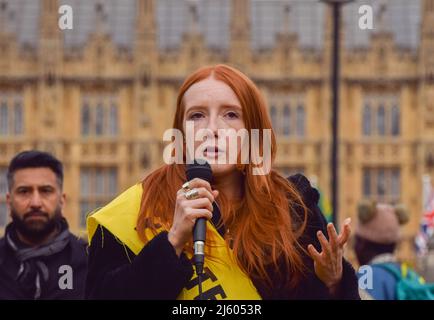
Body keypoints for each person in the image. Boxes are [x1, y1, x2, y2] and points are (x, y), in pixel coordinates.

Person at [85, 64, 360, 300]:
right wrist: (172, 243)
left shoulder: (295, 209)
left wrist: (333, 282)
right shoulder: (137, 209)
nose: (212, 129)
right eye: (197, 116)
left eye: (231, 115)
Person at [0, 150, 87, 299]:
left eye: (45, 191)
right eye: (24, 191)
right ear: (9, 201)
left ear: (62, 200)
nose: (35, 203)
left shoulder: (89, 263)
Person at [354, 200, 410, 299]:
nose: (354, 247)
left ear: (363, 243)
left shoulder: (367, 275)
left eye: (356, 240)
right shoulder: (408, 274)